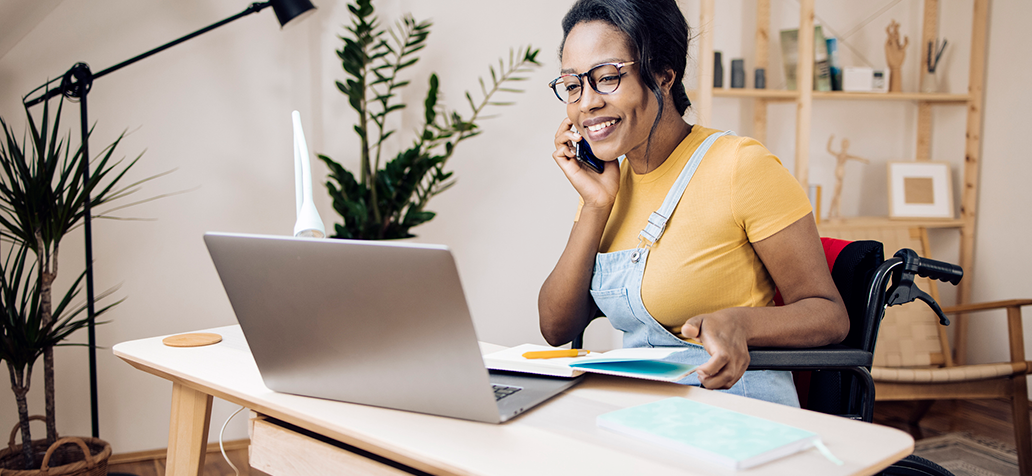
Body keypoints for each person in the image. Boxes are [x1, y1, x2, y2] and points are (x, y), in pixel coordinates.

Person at [538, 0, 849, 407]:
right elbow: (556, 327)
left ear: (664, 74)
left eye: (607, 78)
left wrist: (741, 322)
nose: (586, 103)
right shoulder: (608, 184)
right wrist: (596, 205)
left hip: (737, 411)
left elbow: (829, 315)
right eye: (574, 85)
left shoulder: (741, 165)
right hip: (641, 407)